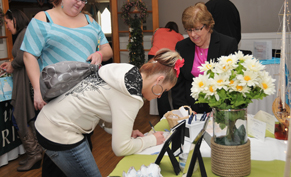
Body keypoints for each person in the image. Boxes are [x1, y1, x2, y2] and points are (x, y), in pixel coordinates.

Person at [34, 48, 184, 177]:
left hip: (48, 119)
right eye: (163, 90)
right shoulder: (131, 96)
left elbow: (100, 108)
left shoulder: (126, 72)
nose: (159, 96)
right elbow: (121, 148)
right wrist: (152, 140)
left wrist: (124, 131)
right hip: (58, 131)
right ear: (159, 80)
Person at [20, 0, 113, 176]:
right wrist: (37, 90)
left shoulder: (89, 20)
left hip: (86, 97)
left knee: (83, 147)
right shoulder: (44, 19)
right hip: (55, 97)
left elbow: (108, 51)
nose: (80, 3)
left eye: (84, 0)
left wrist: (99, 53)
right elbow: (29, 56)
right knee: (59, 155)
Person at [172, 2, 238, 113]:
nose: (193, 34)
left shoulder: (227, 44)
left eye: (197, 29)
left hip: (219, 110)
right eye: (189, 30)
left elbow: (232, 83)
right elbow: (178, 84)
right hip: (190, 110)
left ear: (208, 26)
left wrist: (219, 111)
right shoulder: (182, 47)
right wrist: (184, 110)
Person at [0, 9, 42, 172]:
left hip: (25, 82)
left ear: (15, 20)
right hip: (21, 79)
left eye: (8, 22)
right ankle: (35, 153)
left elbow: (25, 57)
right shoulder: (23, 34)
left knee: (20, 116)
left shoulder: (25, 33)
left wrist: (13, 64)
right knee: (23, 117)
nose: (7, 26)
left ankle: (35, 154)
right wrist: (12, 63)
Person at [148, 21, 184, 117]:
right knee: (174, 86)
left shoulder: (158, 31)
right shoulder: (179, 35)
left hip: (153, 56)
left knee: (160, 88)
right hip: (169, 58)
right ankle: (177, 116)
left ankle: (164, 117)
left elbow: (152, 42)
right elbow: (181, 50)